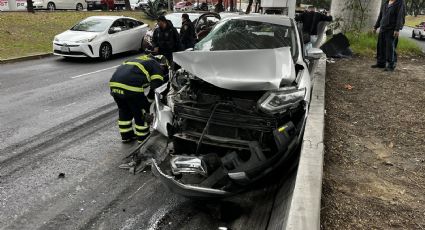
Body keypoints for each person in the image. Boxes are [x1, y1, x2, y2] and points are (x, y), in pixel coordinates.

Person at [109, 54, 169, 143]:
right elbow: (156, 86)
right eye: (164, 68)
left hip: (114, 85)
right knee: (142, 112)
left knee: (124, 110)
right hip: (130, 87)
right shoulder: (155, 64)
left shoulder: (138, 59)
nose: (163, 70)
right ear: (161, 64)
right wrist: (150, 100)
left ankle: (126, 136)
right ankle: (143, 138)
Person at [372, 0, 405, 72]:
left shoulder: (400, 2)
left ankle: (391, 65)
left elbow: (400, 16)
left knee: (390, 48)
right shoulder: (385, 3)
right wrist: (376, 26)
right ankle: (381, 63)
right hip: (383, 28)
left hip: (392, 29)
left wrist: (397, 29)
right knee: (380, 46)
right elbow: (380, 15)